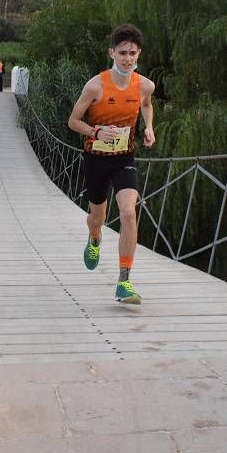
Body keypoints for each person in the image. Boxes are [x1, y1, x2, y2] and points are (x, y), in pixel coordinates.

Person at [67, 24, 155, 304]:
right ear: (112, 53)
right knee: (98, 219)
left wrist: (149, 127)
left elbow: (147, 105)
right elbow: (73, 121)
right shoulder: (95, 86)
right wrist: (95, 132)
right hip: (96, 160)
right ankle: (94, 238)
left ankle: (124, 281)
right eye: (122, 53)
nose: (127, 59)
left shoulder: (144, 85)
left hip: (124, 159)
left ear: (138, 53)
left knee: (129, 213)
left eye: (132, 53)